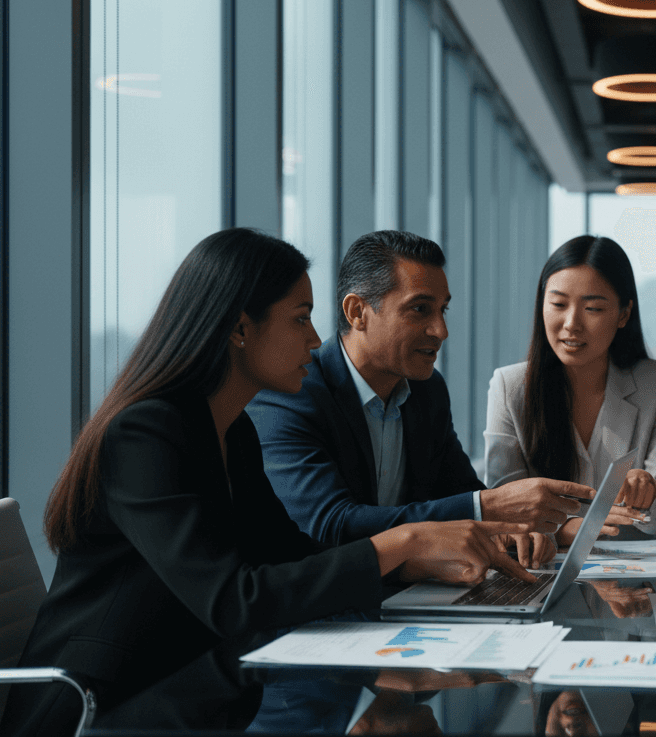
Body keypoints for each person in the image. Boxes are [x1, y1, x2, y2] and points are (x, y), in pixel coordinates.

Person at [0, 230, 533, 736]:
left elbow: (288, 557)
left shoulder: (233, 432)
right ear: (240, 328)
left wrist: (414, 562)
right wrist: (404, 542)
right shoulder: (144, 434)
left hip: (195, 694)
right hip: (102, 708)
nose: (316, 338)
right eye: (300, 319)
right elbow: (233, 600)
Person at [248, 231, 596, 567]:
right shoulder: (292, 393)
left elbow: (458, 490)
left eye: (443, 310)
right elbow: (329, 525)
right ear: (357, 312)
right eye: (419, 309)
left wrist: (510, 530)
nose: (441, 330)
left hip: (414, 591)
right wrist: (486, 508)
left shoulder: (427, 390)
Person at [484, 235, 656, 544]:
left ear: (623, 314)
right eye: (558, 304)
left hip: (637, 568)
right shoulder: (509, 387)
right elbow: (503, 512)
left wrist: (648, 494)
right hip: (543, 566)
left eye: (592, 308)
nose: (571, 323)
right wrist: (568, 530)